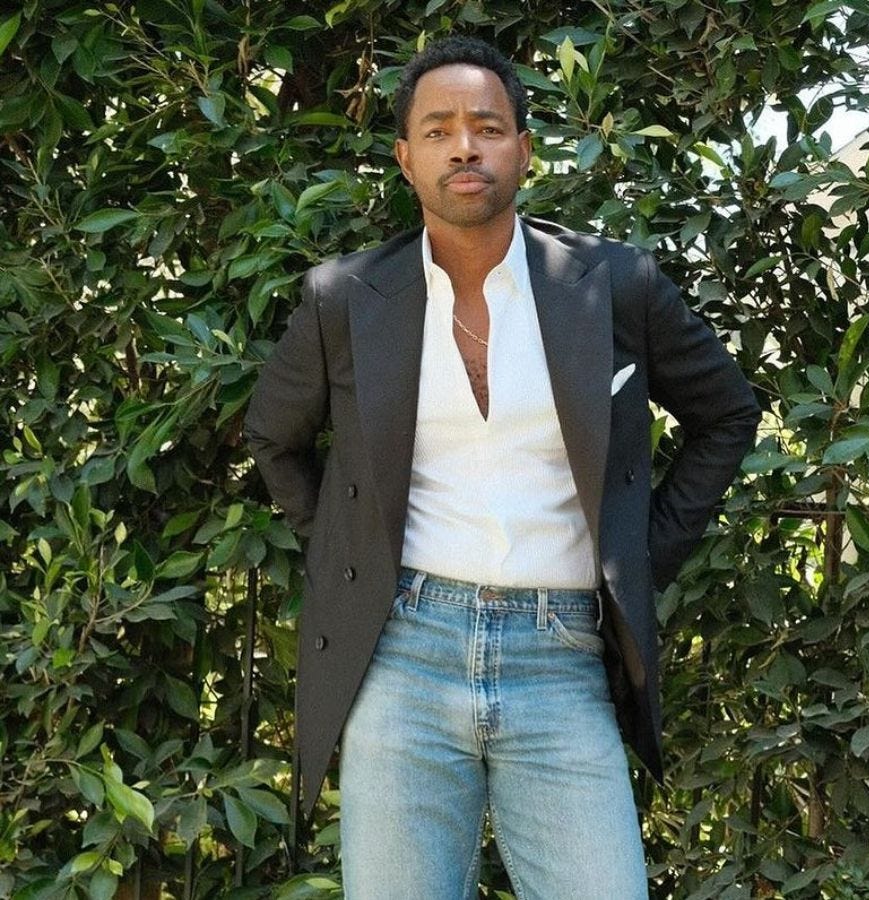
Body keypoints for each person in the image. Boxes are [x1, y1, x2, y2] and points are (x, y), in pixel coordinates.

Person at [242, 34, 760, 898]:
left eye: (486, 126)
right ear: (406, 159)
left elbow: (727, 413)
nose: (464, 146)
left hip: (560, 657)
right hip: (403, 653)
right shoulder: (345, 299)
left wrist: (641, 551)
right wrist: (354, 552)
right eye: (438, 129)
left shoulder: (613, 285)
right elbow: (274, 436)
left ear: (523, 148)